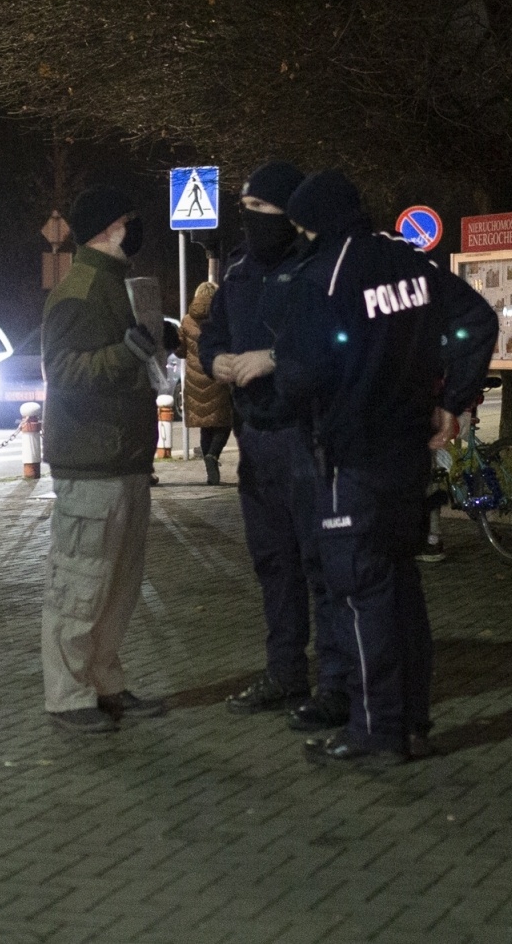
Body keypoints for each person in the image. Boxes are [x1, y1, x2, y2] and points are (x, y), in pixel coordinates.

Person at [234, 169, 496, 768]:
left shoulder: (323, 277)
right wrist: (452, 400)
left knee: (359, 594)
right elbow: (475, 322)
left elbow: (303, 374)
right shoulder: (411, 263)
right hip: (407, 455)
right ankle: (411, 723)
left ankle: (375, 731)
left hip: (349, 458)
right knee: (401, 590)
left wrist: (270, 399)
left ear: (314, 222)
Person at [199, 161, 347, 732]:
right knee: (273, 564)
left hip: (306, 436)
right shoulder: (237, 273)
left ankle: (336, 683)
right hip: (255, 438)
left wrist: (275, 359)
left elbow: (337, 343)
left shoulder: (316, 268)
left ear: (289, 211)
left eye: (261, 208)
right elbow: (212, 335)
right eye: (245, 208)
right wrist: (216, 359)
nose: (250, 218)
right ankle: (285, 672)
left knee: (320, 563)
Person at [39, 186, 165, 734]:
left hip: (124, 456)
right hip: (92, 460)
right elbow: (63, 371)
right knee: (81, 582)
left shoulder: (116, 284)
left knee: (118, 585)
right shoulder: (81, 288)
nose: (137, 227)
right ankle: (67, 696)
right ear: (108, 226)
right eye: (130, 218)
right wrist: (126, 353)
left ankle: (105, 681)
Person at [178, 281, 234, 484]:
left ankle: (210, 471)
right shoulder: (222, 317)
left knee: (206, 425)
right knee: (224, 422)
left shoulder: (187, 320)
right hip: (217, 374)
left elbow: (180, 351)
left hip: (194, 380)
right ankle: (212, 455)